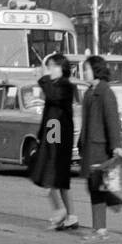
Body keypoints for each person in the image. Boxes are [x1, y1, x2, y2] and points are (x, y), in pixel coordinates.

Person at [81, 55, 122, 238]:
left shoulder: (105, 92)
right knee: (95, 186)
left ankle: (101, 228)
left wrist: (116, 146)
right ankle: (117, 211)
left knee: (96, 186)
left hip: (99, 147)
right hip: (89, 146)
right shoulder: (89, 92)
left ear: (95, 70)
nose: (83, 72)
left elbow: (112, 121)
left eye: (86, 69)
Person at [30, 54, 77, 230]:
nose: (49, 71)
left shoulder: (65, 85)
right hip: (52, 128)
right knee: (58, 177)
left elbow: (53, 97)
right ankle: (70, 215)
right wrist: (40, 134)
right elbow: (48, 113)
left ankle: (61, 211)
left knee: (52, 172)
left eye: (52, 67)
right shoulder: (55, 85)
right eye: (48, 67)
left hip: (58, 130)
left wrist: (42, 78)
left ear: (61, 68)